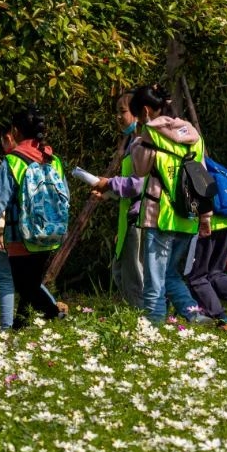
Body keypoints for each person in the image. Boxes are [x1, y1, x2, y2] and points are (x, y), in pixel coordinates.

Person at [124, 84, 214, 327]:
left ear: (144, 111)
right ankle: (194, 315)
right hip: (188, 216)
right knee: (170, 273)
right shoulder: (192, 133)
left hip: (160, 215)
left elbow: (140, 171)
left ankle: (154, 327)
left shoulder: (150, 136)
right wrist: (206, 216)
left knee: (154, 279)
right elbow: (202, 177)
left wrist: (138, 140)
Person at [0, 107, 67, 327]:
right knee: (31, 285)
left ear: (15, 131)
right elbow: (65, 196)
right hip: (50, 233)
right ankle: (21, 328)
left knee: (26, 286)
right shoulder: (53, 160)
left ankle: (54, 314)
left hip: (20, 236)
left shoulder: (14, 161)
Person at [91, 90, 146, 308]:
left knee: (134, 273)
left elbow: (139, 184)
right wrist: (109, 193)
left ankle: (145, 318)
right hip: (128, 219)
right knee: (121, 269)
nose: (118, 117)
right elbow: (129, 184)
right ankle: (138, 314)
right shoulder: (132, 143)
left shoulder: (142, 144)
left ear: (137, 113)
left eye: (122, 111)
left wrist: (109, 183)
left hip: (140, 217)